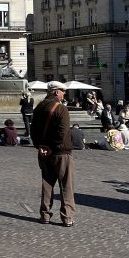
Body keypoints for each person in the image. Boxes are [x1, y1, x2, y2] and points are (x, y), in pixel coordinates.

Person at [30, 81, 75, 227]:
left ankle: (45, 215)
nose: (64, 94)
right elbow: (63, 132)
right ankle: (67, 217)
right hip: (61, 152)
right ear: (56, 92)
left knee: (47, 184)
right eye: (63, 91)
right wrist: (52, 147)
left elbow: (33, 131)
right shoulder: (61, 108)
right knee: (66, 185)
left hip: (43, 152)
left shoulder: (39, 107)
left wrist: (40, 146)